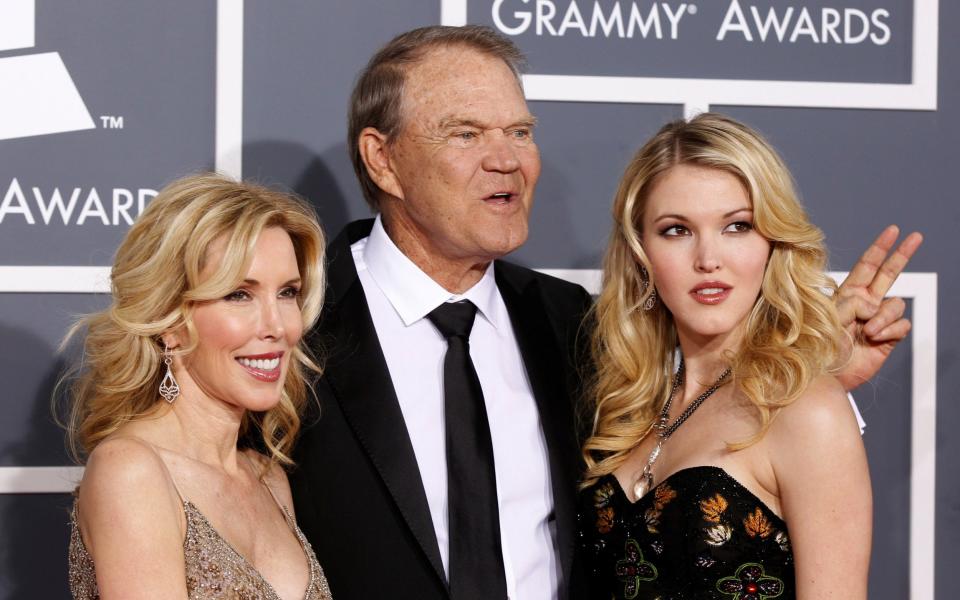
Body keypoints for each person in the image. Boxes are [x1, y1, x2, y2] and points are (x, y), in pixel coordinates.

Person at [290, 26, 919, 600]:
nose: (507, 158)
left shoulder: (565, 327)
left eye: (521, 131)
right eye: (466, 133)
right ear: (382, 159)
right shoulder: (294, 328)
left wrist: (813, 377)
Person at [577, 113, 920, 599]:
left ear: (772, 244)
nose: (708, 259)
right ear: (640, 254)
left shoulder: (807, 410)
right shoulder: (624, 404)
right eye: (676, 230)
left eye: (737, 226)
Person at [62, 174, 333, 599]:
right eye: (239, 295)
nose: (278, 326)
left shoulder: (268, 479)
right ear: (170, 320)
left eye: (287, 292)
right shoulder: (131, 471)